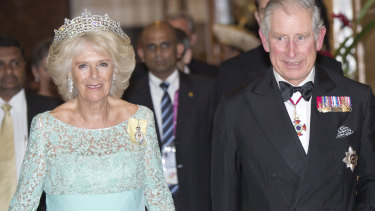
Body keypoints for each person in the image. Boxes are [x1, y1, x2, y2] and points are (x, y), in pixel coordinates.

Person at [211, 0, 375, 210]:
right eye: (281, 38)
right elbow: (224, 199)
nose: (291, 52)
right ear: (265, 39)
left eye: (301, 37)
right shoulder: (235, 109)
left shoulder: (358, 99)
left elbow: (371, 183)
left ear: (319, 38)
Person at [9, 10, 175, 211]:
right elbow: (23, 204)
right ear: (69, 72)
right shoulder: (46, 127)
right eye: (83, 66)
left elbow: (159, 198)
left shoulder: (139, 120)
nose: (94, 76)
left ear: (115, 69)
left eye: (103, 64)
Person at [124, 21, 214, 211]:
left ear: (179, 49)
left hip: (198, 198)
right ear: (141, 53)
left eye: (165, 45)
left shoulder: (207, 90)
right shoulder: (129, 98)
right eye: (151, 46)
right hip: (150, 201)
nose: (158, 53)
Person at [215, 0, 343, 103]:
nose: (291, 52)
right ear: (258, 18)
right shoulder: (232, 73)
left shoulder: (331, 70)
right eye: (267, 11)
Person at [0, 35, 61, 211]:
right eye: (1, 64)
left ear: (25, 67)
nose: (9, 71)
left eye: (15, 63)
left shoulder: (51, 111)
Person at [167, 12, 218, 78]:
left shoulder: (211, 75)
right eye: (169, 34)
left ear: (193, 39)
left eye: (180, 34)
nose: (174, 39)